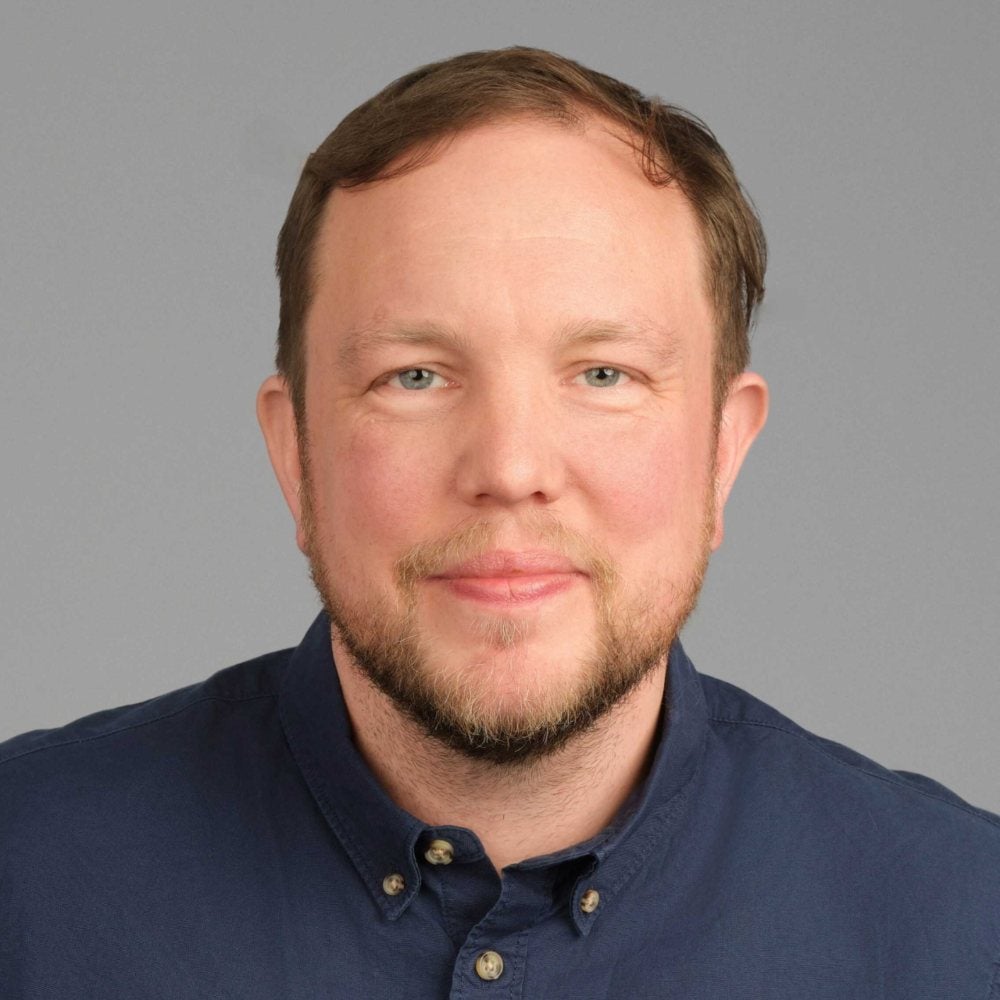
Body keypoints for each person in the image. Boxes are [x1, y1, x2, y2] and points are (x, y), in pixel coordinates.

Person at [1, 46, 997, 999]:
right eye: (415, 376)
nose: (511, 470)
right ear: (294, 451)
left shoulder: (963, 929)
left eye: (602, 374)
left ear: (722, 452)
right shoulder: (25, 882)